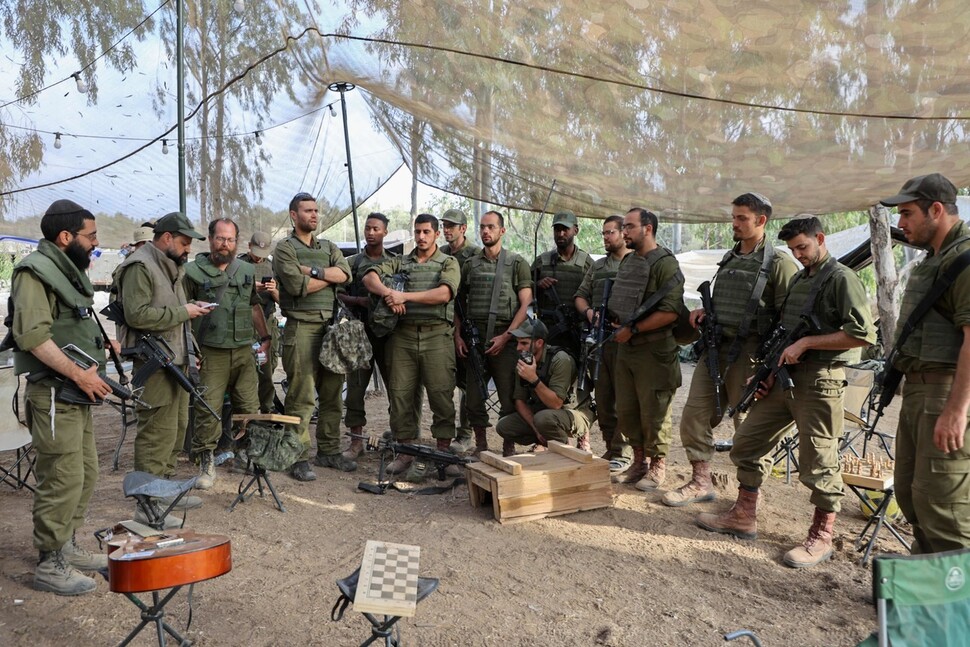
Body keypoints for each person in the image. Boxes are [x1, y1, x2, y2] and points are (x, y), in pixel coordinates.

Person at [696, 215, 876, 568]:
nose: (799, 254)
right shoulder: (798, 279)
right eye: (793, 249)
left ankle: (821, 537)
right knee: (747, 443)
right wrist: (766, 374)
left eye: (803, 247)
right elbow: (785, 331)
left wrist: (810, 342)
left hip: (820, 382)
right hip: (784, 377)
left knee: (819, 461)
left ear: (820, 238)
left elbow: (862, 334)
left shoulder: (842, 279)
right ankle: (744, 515)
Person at [662, 193, 797, 507]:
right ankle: (700, 481)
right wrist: (702, 316)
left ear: (761, 221)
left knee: (747, 427)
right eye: (733, 217)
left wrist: (773, 368)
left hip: (752, 356)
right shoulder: (729, 258)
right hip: (716, 349)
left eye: (742, 218)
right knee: (694, 415)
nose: (734, 224)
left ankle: (749, 495)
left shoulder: (778, 264)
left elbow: (790, 320)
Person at [9, 200, 113, 595]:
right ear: (65, 237)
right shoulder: (33, 272)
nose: (96, 243)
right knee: (62, 478)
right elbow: (32, 336)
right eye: (91, 236)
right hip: (55, 393)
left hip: (74, 393)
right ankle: (49, 564)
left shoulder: (66, 271)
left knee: (84, 475)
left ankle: (66, 547)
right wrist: (77, 375)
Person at [880, 173, 970, 553]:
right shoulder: (935, 259)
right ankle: (926, 584)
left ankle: (954, 604)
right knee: (912, 493)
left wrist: (957, 409)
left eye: (907, 213)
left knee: (943, 503)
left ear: (937, 210)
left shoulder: (965, 260)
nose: (901, 224)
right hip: (918, 392)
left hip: (945, 392)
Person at [114, 212, 211, 524]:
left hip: (175, 359)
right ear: (167, 238)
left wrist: (191, 351)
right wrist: (184, 311)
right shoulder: (140, 266)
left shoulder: (172, 267)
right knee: (156, 433)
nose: (188, 249)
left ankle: (164, 492)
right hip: (153, 363)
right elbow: (138, 315)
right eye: (184, 243)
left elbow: (179, 320)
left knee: (175, 429)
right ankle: (147, 504)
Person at [362, 214, 461, 473]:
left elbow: (444, 293)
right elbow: (369, 278)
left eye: (427, 232)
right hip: (403, 337)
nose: (421, 237)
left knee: (441, 394)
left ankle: (442, 453)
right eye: (417, 232)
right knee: (400, 394)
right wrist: (388, 294)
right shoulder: (400, 262)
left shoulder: (448, 263)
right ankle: (404, 451)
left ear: (437, 234)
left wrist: (403, 295)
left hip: (437, 335)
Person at [183, 218, 270, 489]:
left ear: (237, 241)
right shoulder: (192, 272)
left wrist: (265, 337)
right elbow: (182, 313)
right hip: (211, 352)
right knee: (208, 408)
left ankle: (248, 457)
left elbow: (254, 306)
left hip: (244, 350)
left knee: (249, 406)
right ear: (210, 239)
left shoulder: (244, 268)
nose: (225, 244)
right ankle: (206, 461)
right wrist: (189, 352)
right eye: (220, 238)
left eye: (230, 239)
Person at [273, 192, 353, 481]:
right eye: (308, 211)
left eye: (316, 210)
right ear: (293, 215)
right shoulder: (285, 248)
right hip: (301, 328)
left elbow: (346, 275)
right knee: (301, 395)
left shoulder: (328, 246)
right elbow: (296, 286)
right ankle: (297, 456)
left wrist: (314, 272)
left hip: (330, 328)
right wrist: (327, 280)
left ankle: (329, 451)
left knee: (333, 393)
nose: (314, 215)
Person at [609, 207, 684, 491]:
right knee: (628, 408)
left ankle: (657, 466)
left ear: (648, 228)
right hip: (627, 348)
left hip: (655, 351)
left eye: (629, 226)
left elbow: (671, 312)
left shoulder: (665, 264)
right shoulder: (629, 262)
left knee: (655, 410)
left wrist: (634, 329)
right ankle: (638, 462)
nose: (624, 231)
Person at [455, 210, 533, 456]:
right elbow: (459, 303)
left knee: (508, 394)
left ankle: (507, 445)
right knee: (474, 396)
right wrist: (458, 335)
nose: (485, 231)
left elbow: (525, 304)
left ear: (502, 230)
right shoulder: (470, 265)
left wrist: (507, 336)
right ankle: (481, 445)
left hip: (504, 337)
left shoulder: (516, 263)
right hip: (474, 337)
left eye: (490, 227)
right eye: (482, 227)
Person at [339, 213, 401, 460]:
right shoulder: (352, 263)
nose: (370, 232)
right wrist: (358, 301)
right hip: (359, 333)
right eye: (367, 228)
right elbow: (339, 294)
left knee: (397, 388)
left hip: (388, 335)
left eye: (376, 228)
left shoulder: (396, 263)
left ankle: (398, 439)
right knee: (355, 388)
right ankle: (356, 442)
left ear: (385, 232)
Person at [574, 215, 632, 472]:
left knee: (624, 399)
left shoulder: (636, 264)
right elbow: (580, 296)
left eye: (611, 232)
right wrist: (590, 314)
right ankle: (611, 447)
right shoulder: (597, 267)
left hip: (627, 342)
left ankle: (625, 452)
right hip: (600, 341)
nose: (606, 237)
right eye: (604, 233)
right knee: (605, 398)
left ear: (623, 233)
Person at [496, 319, 592, 455]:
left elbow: (557, 403)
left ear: (539, 343)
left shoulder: (560, 359)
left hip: (574, 412)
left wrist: (533, 379)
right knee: (504, 426)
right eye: (518, 343)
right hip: (544, 413)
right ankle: (545, 442)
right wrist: (536, 430)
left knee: (544, 419)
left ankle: (565, 450)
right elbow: (520, 401)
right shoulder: (525, 359)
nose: (518, 348)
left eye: (524, 343)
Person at [440, 208, 482, 453]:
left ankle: (465, 434)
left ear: (463, 229)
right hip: (443, 325)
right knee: (443, 382)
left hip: (467, 326)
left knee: (467, 384)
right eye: (444, 225)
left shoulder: (475, 255)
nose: (447, 230)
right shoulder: (441, 253)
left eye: (451, 226)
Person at [532, 210, 592, 357]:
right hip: (547, 329)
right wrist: (538, 284)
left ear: (575, 230)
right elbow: (525, 289)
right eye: (557, 229)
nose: (560, 234)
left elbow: (593, 294)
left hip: (575, 330)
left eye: (565, 229)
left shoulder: (586, 263)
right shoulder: (542, 261)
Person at [239, 231, 280, 415]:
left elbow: (283, 301)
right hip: (245, 322)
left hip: (267, 320)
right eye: (256, 252)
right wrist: (250, 287)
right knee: (244, 369)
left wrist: (273, 291)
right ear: (249, 246)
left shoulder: (274, 268)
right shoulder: (238, 265)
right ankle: (245, 410)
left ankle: (267, 408)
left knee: (267, 369)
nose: (259, 258)